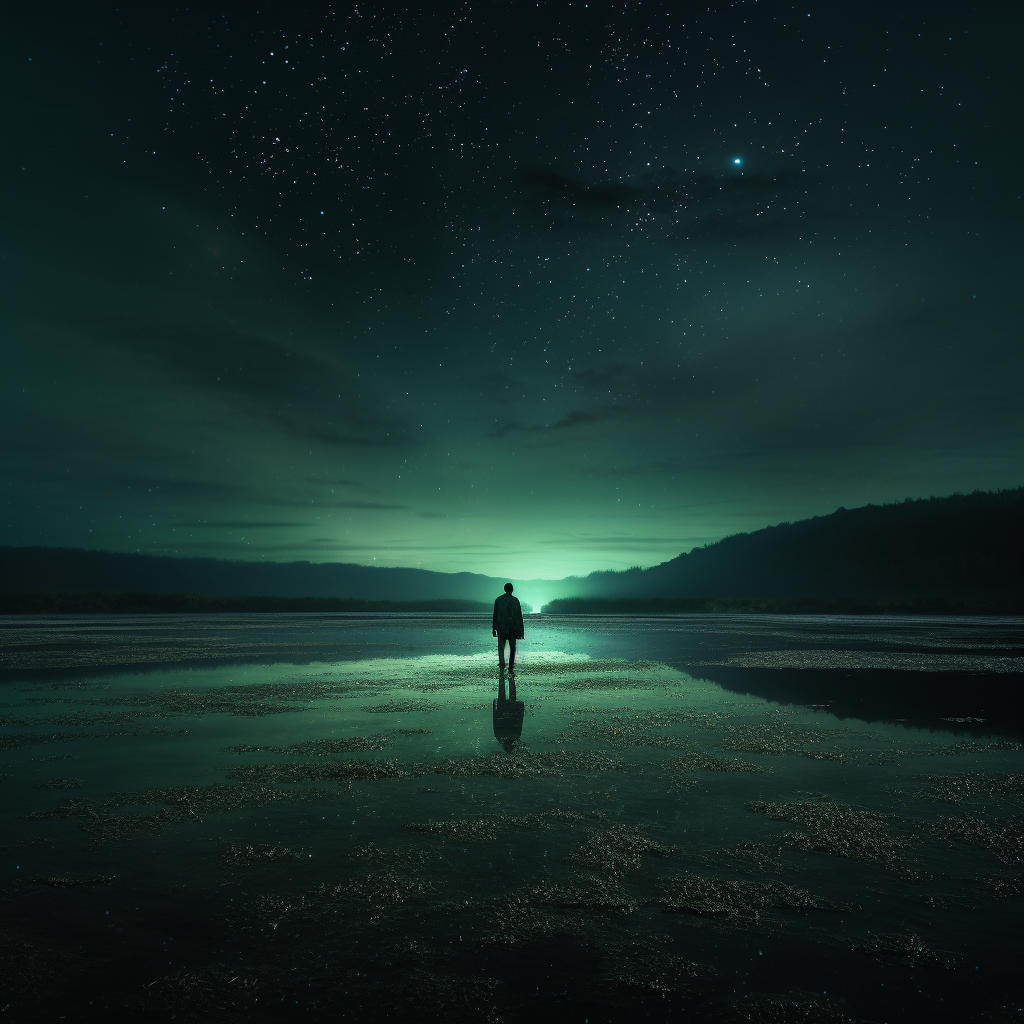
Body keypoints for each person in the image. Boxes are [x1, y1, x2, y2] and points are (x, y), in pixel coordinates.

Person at [492, 582, 524, 671]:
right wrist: (520, 630)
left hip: (501, 627)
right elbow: (519, 616)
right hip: (512, 628)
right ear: (512, 590)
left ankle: (502, 664)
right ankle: (511, 665)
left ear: (504, 589)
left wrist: (493, 629)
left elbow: (495, 615)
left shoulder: (498, 600)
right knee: (512, 647)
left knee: (501, 648)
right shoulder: (515, 600)